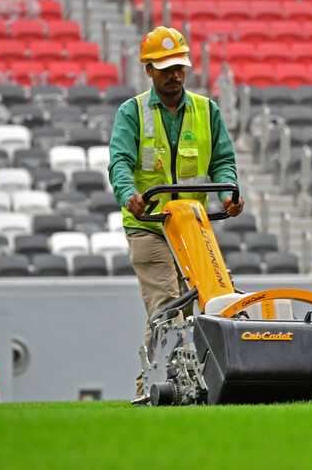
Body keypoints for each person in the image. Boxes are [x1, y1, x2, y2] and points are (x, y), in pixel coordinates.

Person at [108, 26, 244, 398]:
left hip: (192, 227)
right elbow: (119, 162)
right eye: (165, 67)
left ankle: (167, 384)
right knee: (169, 309)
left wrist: (229, 193)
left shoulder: (206, 110)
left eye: (179, 66)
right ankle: (156, 386)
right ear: (149, 69)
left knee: (210, 303)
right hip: (148, 227)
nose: (174, 73)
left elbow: (223, 160)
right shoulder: (132, 112)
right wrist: (129, 194)